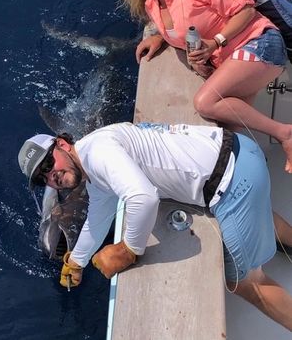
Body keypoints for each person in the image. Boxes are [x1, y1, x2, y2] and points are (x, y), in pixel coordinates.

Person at [18, 122, 292, 331]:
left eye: (48, 163)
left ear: (63, 144)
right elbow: (98, 215)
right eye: (44, 179)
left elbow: (143, 197)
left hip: (233, 183)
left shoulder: (99, 153)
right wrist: (77, 261)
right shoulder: (94, 159)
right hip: (241, 152)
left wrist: (129, 249)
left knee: (245, 282)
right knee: (257, 214)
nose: (51, 175)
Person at [109, 0, 292, 172]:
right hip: (232, 62)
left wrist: (215, 42)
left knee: (205, 102)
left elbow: (246, 10)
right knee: (230, 143)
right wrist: (160, 38)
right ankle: (256, 173)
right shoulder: (152, 3)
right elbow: (183, 27)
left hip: (261, 43)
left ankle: (284, 133)